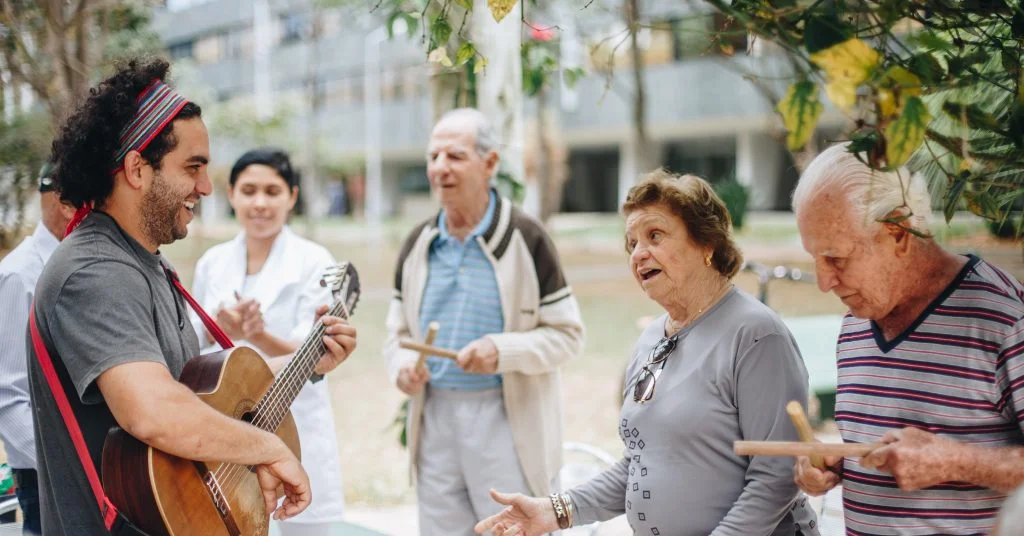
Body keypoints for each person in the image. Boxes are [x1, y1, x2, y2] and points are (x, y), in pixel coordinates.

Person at [28, 57, 357, 535]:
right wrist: (267, 448)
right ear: (137, 168)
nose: (205, 187)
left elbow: (197, 395)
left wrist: (306, 360)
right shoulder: (95, 271)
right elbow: (154, 410)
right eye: (193, 167)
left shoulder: (148, 265)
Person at [476, 170, 819, 536]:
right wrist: (554, 510)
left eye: (655, 236)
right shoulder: (650, 339)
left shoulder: (756, 335)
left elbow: (777, 475)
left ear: (707, 243)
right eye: (632, 243)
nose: (639, 254)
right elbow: (641, 465)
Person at [791, 143, 1024, 535]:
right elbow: (883, 452)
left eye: (836, 258)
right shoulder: (855, 323)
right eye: (815, 259)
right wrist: (835, 463)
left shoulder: (1004, 318)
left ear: (898, 232)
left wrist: (956, 462)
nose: (823, 282)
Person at [383, 108, 585, 535]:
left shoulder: (527, 237)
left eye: (455, 156)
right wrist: (401, 366)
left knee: (510, 528)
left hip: (506, 418)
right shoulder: (418, 243)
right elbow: (397, 334)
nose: (440, 168)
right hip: (435, 417)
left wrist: (501, 350)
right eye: (433, 156)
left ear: (490, 163)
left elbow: (568, 335)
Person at [190, 148, 345, 536]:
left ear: (292, 197)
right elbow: (191, 346)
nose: (260, 203)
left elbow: (315, 355)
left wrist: (258, 336)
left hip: (296, 423)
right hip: (226, 428)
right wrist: (218, 327)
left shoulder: (315, 262)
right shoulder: (212, 263)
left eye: (272, 192)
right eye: (249, 191)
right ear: (231, 194)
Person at [0, 160, 75, 534]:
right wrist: (64, 466)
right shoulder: (21, 274)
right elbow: (8, 396)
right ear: (65, 203)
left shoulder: (79, 265)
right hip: (47, 479)